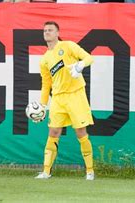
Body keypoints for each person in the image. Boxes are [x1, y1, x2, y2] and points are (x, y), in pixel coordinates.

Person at [35, 21, 95, 180]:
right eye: (45, 30)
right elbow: (46, 83)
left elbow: (89, 57)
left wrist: (80, 65)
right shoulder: (44, 59)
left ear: (57, 32)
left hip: (76, 95)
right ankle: (46, 171)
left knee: (81, 132)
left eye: (50, 30)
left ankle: (90, 171)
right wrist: (42, 104)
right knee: (53, 132)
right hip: (58, 99)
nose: (47, 32)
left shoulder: (68, 46)